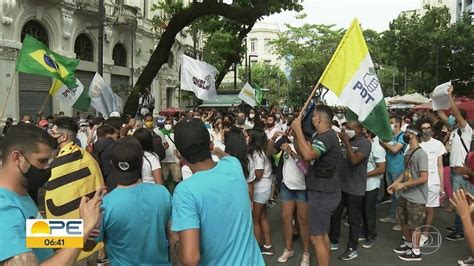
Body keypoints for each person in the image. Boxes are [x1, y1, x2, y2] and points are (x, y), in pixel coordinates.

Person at [0, 123, 103, 265]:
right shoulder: (4, 209)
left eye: (49, 160)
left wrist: (78, 228)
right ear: (17, 158)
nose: (48, 167)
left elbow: (32, 232)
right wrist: (84, 230)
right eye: (42, 161)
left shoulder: (19, 192)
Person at [171, 118, 264, 265]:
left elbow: (190, 259)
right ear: (210, 144)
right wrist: (217, 150)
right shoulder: (233, 165)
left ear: (178, 154)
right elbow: (227, 157)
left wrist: (175, 241)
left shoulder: (185, 192)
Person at [95, 137, 172, 265]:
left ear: (111, 163)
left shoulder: (104, 204)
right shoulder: (162, 193)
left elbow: (87, 242)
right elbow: (173, 236)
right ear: (142, 162)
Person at [45, 116, 105, 263]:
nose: (50, 136)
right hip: (90, 233)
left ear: (63, 137)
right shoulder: (88, 158)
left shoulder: (60, 164)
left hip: (69, 242)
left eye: (52, 133)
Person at [291, 105, 342, 266]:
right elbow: (303, 153)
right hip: (322, 191)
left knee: (317, 237)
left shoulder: (326, 137)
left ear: (318, 118)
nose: (310, 119)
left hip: (323, 193)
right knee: (322, 235)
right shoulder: (321, 137)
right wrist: (295, 135)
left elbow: (308, 154)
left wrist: (298, 129)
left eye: (313, 116)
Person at [329, 121, 371, 261]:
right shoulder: (342, 140)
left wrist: (346, 143)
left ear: (359, 130)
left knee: (353, 219)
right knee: (335, 215)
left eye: (350, 128)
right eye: (345, 128)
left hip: (355, 188)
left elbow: (354, 161)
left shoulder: (365, 143)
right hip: (341, 185)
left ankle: (352, 248)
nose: (346, 130)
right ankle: (333, 240)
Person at [437, 85, 473, 243]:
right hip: (454, 171)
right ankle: (458, 226)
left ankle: (461, 230)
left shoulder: (466, 131)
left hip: (462, 173)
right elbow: (439, 114)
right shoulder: (454, 131)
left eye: (454, 116)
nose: (451, 117)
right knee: (459, 201)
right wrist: (436, 99)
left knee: (463, 202)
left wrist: (449, 96)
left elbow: (456, 112)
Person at [388, 125, 428, 261]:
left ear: (413, 135)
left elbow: (423, 178)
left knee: (414, 225)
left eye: (407, 133)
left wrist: (403, 184)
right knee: (404, 222)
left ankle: (416, 252)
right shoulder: (408, 151)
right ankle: (409, 244)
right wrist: (395, 184)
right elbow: (406, 173)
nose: (404, 135)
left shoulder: (421, 154)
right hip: (405, 194)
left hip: (417, 197)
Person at [273, 136, 310, 265]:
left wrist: (291, 152)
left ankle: (306, 253)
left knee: (303, 220)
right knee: (286, 218)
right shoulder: (283, 142)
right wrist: (273, 139)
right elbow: (270, 152)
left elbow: (306, 169)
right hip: (286, 186)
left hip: (302, 188)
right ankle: (289, 249)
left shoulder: (306, 144)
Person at [418, 118, 446, 244]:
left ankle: (425, 234)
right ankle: (416, 232)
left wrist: (442, 186)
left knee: (429, 209)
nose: (426, 130)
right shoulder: (416, 144)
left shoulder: (438, 144)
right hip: (418, 182)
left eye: (428, 128)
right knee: (418, 208)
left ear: (432, 130)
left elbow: (440, 166)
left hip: (433, 182)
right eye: (423, 128)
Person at [247, 128, 274, 255]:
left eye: (248, 136)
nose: (246, 138)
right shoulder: (261, 152)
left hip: (260, 189)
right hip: (264, 188)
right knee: (262, 218)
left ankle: (257, 247)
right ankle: (268, 245)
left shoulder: (257, 154)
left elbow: (258, 174)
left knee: (255, 219)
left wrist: (247, 178)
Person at [379, 115, 408, 231]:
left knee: (399, 196)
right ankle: (392, 216)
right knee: (393, 195)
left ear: (398, 123)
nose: (390, 124)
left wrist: (383, 143)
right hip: (390, 167)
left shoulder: (402, 136)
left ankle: (401, 221)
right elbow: (387, 148)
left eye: (392, 122)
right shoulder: (391, 136)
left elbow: (395, 149)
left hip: (398, 169)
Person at [361, 130, 386, 248]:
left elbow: (381, 169)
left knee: (369, 210)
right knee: (362, 210)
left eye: (363, 131)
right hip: (361, 184)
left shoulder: (377, 148)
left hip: (372, 184)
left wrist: (364, 175)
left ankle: (371, 235)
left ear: (369, 134)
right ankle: (365, 231)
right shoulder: (362, 146)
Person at [160, 117, 181, 191]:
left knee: (177, 180)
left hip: (175, 160)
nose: (168, 125)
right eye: (166, 123)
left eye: (170, 123)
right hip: (163, 161)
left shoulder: (176, 133)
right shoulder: (160, 133)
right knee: (164, 180)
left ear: (172, 124)